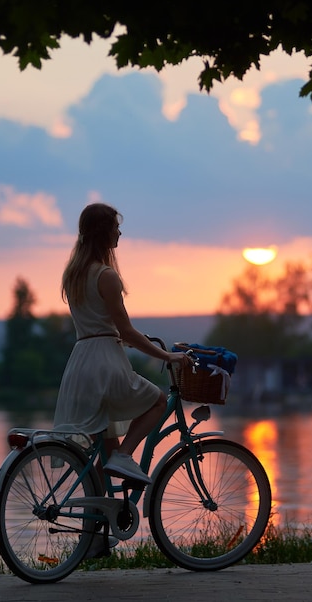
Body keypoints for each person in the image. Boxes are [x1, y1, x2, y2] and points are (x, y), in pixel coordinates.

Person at [54, 202, 192, 489]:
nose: (120, 233)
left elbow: (100, 325)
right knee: (156, 401)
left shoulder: (73, 275)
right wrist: (167, 355)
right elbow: (126, 331)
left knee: (105, 445)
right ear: (105, 232)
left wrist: (112, 337)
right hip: (106, 363)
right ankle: (125, 454)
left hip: (81, 362)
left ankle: (101, 525)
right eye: (116, 227)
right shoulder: (106, 276)